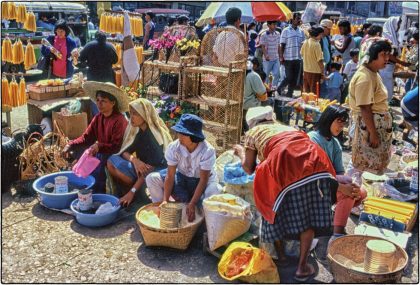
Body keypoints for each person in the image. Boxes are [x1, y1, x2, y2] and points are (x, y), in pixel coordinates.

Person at [233, 106, 337, 282]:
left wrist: (240, 151)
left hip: (284, 163)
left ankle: (281, 258)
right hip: (316, 163)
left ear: (252, 123)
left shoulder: (253, 132)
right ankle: (302, 266)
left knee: (272, 209)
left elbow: (248, 168)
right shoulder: (286, 127)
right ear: (271, 118)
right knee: (308, 216)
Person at [145, 114, 221, 222]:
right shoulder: (174, 147)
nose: (179, 136)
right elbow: (170, 175)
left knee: (216, 189)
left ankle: (205, 220)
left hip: (201, 183)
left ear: (194, 137)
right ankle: (162, 210)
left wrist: (193, 203)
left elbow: (204, 180)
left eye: (183, 134)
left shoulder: (207, 150)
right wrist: (165, 200)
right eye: (179, 132)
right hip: (182, 179)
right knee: (152, 178)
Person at [308, 105, 366, 239]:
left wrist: (349, 184)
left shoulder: (334, 143)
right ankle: (337, 232)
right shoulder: (312, 139)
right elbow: (314, 174)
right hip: (314, 184)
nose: (341, 127)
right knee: (348, 193)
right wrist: (341, 187)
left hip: (329, 182)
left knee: (360, 191)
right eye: (338, 122)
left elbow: (340, 171)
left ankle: (334, 217)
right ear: (328, 120)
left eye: (343, 123)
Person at [62, 82, 129, 193]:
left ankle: (99, 192)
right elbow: (87, 138)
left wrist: (99, 146)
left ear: (113, 103)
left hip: (115, 155)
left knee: (98, 169)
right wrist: (70, 144)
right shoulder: (98, 118)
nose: (99, 104)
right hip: (101, 151)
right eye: (97, 100)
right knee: (78, 153)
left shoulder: (119, 120)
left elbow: (117, 146)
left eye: (103, 101)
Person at [107, 98, 173, 207]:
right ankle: (133, 193)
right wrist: (135, 160)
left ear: (145, 115)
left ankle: (133, 194)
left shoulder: (154, 137)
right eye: (130, 113)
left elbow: (150, 168)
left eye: (135, 114)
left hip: (157, 173)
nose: (131, 117)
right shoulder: (139, 131)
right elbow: (125, 152)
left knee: (127, 170)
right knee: (111, 160)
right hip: (142, 169)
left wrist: (131, 192)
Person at [348, 38, 393, 175]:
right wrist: (373, 134)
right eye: (383, 55)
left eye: (388, 54)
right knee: (363, 166)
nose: (387, 58)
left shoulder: (373, 73)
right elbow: (365, 108)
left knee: (370, 166)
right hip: (369, 127)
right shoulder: (365, 78)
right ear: (372, 55)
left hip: (376, 124)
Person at [379, 17, 411, 101]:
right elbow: (388, 55)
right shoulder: (386, 39)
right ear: (392, 25)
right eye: (398, 24)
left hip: (389, 68)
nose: (399, 26)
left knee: (388, 90)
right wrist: (402, 63)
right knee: (386, 90)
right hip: (385, 68)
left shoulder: (393, 37)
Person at [278, 13, 305, 97]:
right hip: (288, 58)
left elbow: (303, 44)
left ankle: (290, 93)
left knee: (294, 78)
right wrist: (281, 57)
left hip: (298, 57)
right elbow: (281, 45)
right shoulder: (286, 30)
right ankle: (280, 87)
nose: (299, 20)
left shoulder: (301, 31)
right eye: (297, 18)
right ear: (292, 19)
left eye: (299, 18)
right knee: (289, 77)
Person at [243, 60, 271, 132]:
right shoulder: (253, 75)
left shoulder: (234, 74)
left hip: (238, 106)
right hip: (249, 107)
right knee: (270, 101)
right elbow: (262, 94)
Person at [301, 26, 325, 94]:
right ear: (318, 34)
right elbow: (320, 61)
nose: (322, 37)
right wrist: (323, 73)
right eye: (321, 35)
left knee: (307, 93)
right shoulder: (317, 44)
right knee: (314, 94)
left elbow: (302, 53)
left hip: (306, 71)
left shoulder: (305, 42)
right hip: (315, 72)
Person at [260, 21, 282, 88]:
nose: (275, 26)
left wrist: (280, 55)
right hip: (267, 59)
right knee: (266, 75)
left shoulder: (278, 34)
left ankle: (274, 89)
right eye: (273, 24)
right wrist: (266, 55)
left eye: (276, 24)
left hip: (276, 58)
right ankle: (266, 90)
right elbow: (262, 46)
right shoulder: (263, 35)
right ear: (268, 25)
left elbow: (278, 45)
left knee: (277, 74)